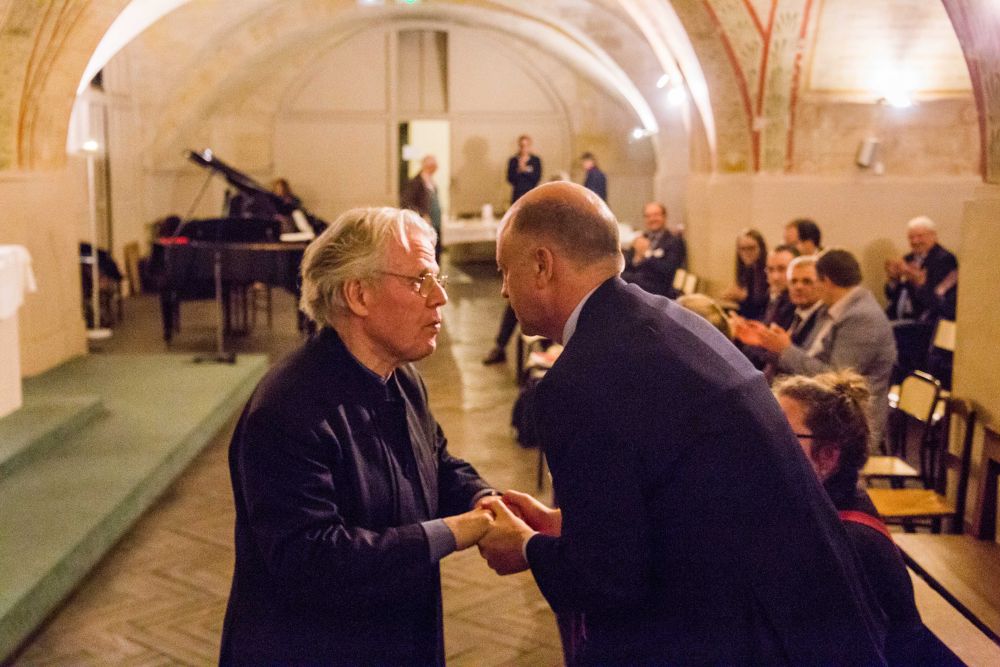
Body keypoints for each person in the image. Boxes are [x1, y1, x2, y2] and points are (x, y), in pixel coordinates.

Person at [477, 181, 886, 665]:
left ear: (542, 265)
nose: (504, 289)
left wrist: (527, 549)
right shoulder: (672, 321)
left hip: (747, 639)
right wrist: (568, 526)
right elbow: (683, 497)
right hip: (811, 622)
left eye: (506, 270)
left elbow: (609, 581)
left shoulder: (582, 379)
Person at [219, 207, 496, 665]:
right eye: (420, 280)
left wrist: (485, 500)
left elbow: (436, 461)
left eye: (437, 278)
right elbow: (312, 559)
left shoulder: (401, 377)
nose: (440, 297)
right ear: (358, 294)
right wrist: (456, 531)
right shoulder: (287, 409)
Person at [774, 370, 963, 666]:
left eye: (781, 434)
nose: (765, 442)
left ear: (827, 456)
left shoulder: (846, 542)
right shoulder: (832, 502)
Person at [755, 248, 897, 448]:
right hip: (822, 407)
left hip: (848, 422)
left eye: (814, 281)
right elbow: (810, 356)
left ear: (827, 281)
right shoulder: (832, 309)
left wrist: (786, 350)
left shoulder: (862, 317)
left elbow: (837, 380)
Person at [483, 135, 544, 365]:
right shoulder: (513, 161)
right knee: (515, 304)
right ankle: (500, 347)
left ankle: (547, 351)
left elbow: (535, 177)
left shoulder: (536, 161)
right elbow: (511, 178)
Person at [731, 244, 797, 367]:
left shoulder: (796, 304)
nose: (775, 277)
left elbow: (773, 351)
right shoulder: (774, 297)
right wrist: (745, 327)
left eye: (782, 269)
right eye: (770, 270)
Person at [884, 216, 958, 323]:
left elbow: (940, 302)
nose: (915, 241)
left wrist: (920, 284)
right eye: (911, 237)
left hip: (925, 321)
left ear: (933, 236)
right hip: (898, 318)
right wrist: (893, 280)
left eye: (920, 236)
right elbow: (891, 296)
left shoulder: (945, 260)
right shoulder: (907, 258)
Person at [620, 201, 686, 297]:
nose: (652, 219)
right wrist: (636, 258)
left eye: (656, 215)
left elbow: (669, 269)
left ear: (664, 216)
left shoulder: (674, 241)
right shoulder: (641, 238)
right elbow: (626, 265)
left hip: (659, 289)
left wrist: (646, 254)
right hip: (637, 285)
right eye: (648, 216)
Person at [400, 154, 443, 261]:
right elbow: (406, 202)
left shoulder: (431, 182)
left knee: (436, 250)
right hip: (424, 224)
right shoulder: (416, 182)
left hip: (435, 222)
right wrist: (422, 214)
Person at [721, 228, 769, 320]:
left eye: (751, 248)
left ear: (761, 248)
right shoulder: (747, 270)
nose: (746, 253)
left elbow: (762, 307)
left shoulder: (768, 271)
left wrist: (743, 298)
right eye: (742, 249)